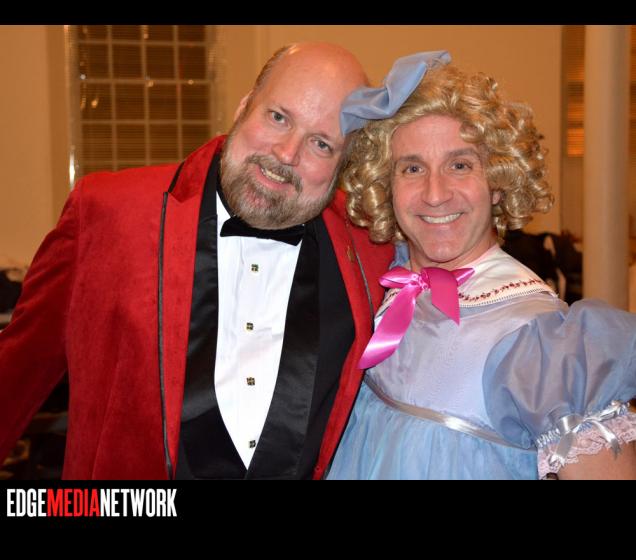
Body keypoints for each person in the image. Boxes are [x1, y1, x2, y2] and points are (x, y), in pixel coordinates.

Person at [0, 42, 394, 480]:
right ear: (245, 106)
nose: (287, 153)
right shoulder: (105, 215)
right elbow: (13, 378)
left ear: (343, 164)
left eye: (321, 144)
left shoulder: (374, 255)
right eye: (278, 117)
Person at [327, 59, 636, 479]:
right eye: (412, 168)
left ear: (497, 183)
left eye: (460, 165)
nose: (435, 194)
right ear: (387, 185)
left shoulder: (542, 344)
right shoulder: (382, 281)